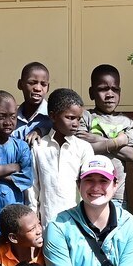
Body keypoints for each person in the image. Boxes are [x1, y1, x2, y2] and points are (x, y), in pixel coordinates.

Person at [28, 87, 92, 220]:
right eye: (70, 118)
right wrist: (34, 219)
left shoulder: (83, 148)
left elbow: (89, 186)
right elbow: (33, 189)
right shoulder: (39, 147)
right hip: (47, 221)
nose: (76, 124)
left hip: (77, 222)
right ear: (52, 116)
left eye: (79, 119)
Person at [83, 64, 133, 197]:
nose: (110, 94)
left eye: (115, 89)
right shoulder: (85, 117)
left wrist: (98, 139)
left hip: (117, 194)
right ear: (91, 93)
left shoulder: (127, 122)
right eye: (103, 89)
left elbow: (131, 155)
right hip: (90, 192)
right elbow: (83, 147)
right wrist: (119, 141)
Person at [15, 61, 53, 136]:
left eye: (43, 84)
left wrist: (42, 131)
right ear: (20, 84)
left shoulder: (54, 117)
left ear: (48, 87)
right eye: (32, 83)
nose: (38, 88)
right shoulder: (12, 118)